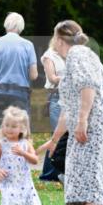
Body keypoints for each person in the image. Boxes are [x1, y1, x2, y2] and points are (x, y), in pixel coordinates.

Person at [38, 20, 103, 205]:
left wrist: (82, 121)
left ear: (59, 39)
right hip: (85, 126)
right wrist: (55, 139)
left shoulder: (78, 54)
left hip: (91, 127)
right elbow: (68, 105)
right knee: (83, 178)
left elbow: (88, 87)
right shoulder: (77, 56)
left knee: (91, 180)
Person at [0, 12, 37, 137]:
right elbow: (33, 75)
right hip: (20, 92)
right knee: (20, 130)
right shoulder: (28, 45)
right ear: (21, 26)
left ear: (6, 25)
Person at [39, 37, 66, 182]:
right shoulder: (49, 56)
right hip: (56, 97)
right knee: (58, 135)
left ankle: (51, 172)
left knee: (61, 136)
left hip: (67, 97)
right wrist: (70, 77)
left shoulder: (67, 54)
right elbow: (52, 78)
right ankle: (51, 173)